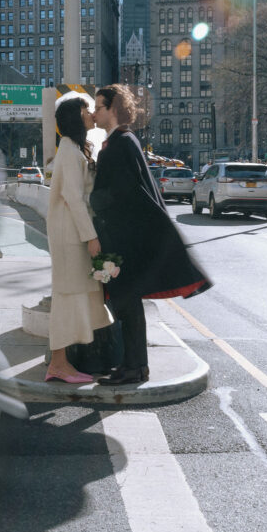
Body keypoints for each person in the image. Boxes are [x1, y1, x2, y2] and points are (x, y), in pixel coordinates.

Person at [90, 84, 211, 385]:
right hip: (116, 239)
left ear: (113, 108)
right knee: (122, 303)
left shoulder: (122, 143)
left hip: (121, 243)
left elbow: (122, 193)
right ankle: (132, 365)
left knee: (125, 303)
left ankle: (135, 368)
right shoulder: (121, 141)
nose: (94, 113)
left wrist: (92, 198)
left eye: (98, 107)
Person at [45, 96, 113, 383]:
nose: (89, 114)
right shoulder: (69, 153)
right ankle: (58, 363)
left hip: (71, 232)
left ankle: (61, 362)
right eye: (85, 109)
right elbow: (74, 198)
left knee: (75, 294)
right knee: (66, 296)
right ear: (75, 117)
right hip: (69, 235)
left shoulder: (75, 150)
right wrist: (91, 237)